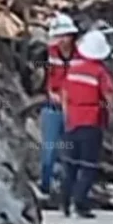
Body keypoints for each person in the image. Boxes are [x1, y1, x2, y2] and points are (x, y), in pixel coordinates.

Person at [60, 29, 113, 219]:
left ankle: (65, 202)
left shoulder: (73, 68)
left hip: (72, 121)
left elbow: (64, 95)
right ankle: (80, 204)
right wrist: (112, 116)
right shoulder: (100, 72)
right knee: (88, 165)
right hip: (91, 121)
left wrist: (67, 117)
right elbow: (109, 96)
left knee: (70, 165)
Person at [39, 12, 81, 198]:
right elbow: (48, 80)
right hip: (53, 109)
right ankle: (46, 188)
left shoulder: (81, 57)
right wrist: (53, 94)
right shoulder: (50, 54)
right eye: (58, 36)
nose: (62, 40)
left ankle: (69, 192)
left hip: (75, 110)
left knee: (72, 154)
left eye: (65, 36)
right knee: (48, 153)